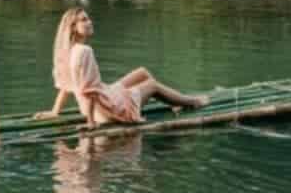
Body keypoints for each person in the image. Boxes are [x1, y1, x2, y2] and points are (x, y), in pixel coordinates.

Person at [37, 7, 208, 127]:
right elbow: (89, 91)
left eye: (88, 18)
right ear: (73, 28)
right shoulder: (84, 51)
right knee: (152, 85)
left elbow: (67, 87)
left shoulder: (69, 51)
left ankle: (173, 100)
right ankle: (191, 102)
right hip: (106, 111)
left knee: (141, 73)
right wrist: (90, 123)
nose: (90, 22)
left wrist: (55, 112)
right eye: (84, 20)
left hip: (97, 106)